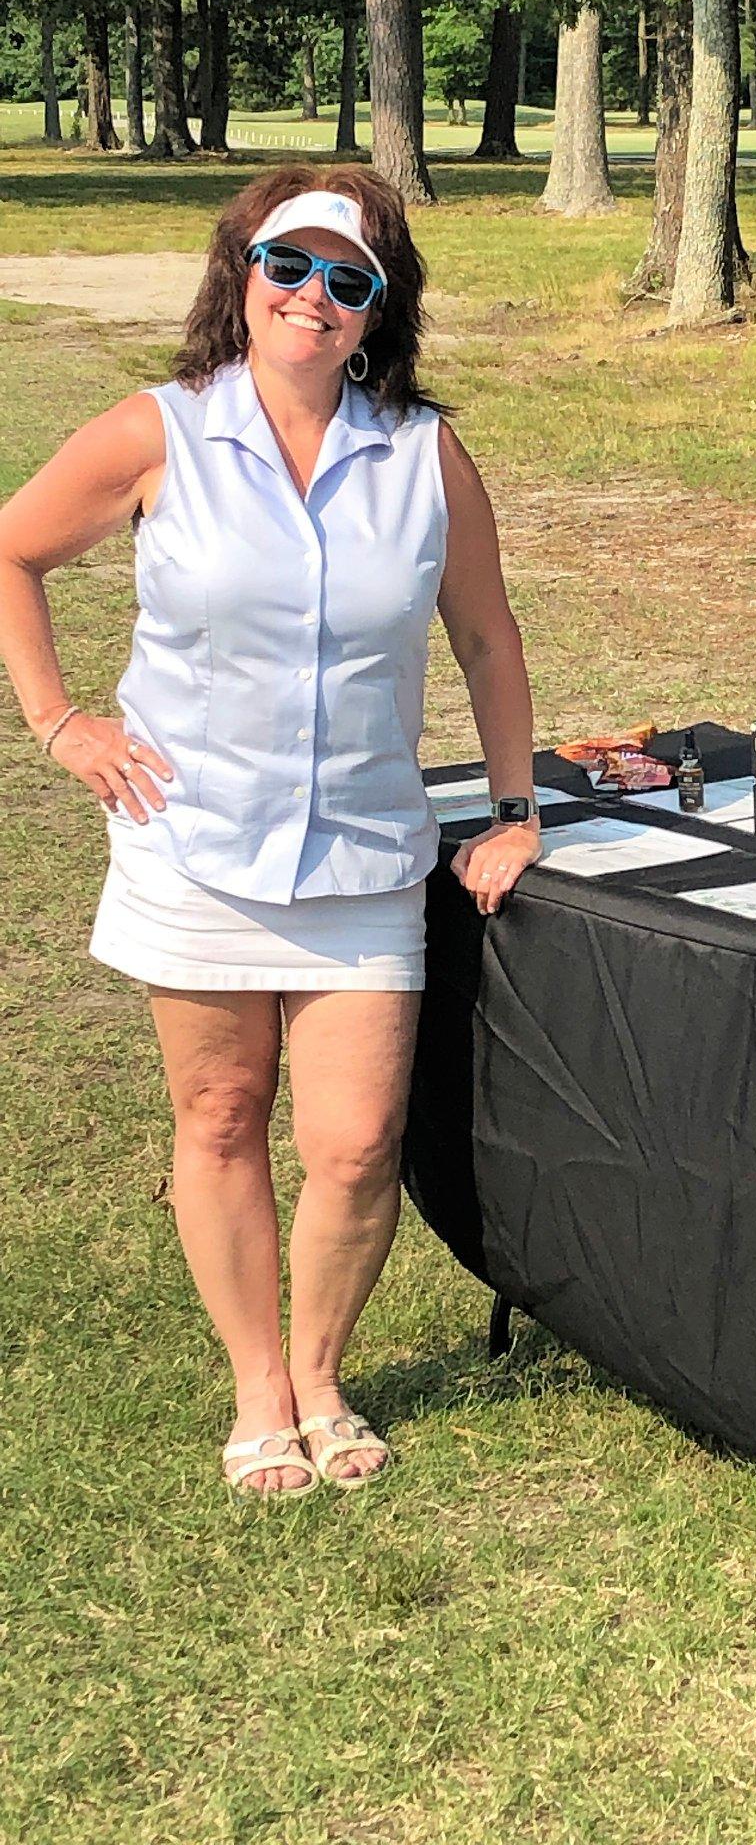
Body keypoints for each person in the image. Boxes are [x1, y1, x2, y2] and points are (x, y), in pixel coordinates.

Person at [0, 165, 542, 1498]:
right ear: (242, 275)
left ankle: (321, 1376)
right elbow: (11, 551)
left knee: (353, 1144)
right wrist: (60, 723)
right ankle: (259, 1391)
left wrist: (516, 809)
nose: (313, 297)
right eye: (288, 265)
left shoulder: (423, 454)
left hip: (363, 850)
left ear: (378, 309)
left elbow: (486, 635)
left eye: (348, 280)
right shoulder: (161, 432)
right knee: (222, 1113)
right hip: (194, 847)